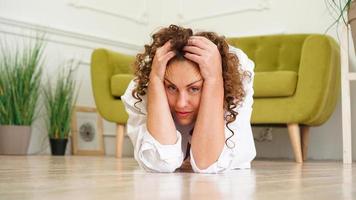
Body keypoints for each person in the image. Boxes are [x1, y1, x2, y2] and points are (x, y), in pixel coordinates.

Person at [122, 24, 256, 173]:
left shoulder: (236, 82)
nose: (181, 103)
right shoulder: (142, 91)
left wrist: (214, 80)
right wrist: (155, 80)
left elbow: (206, 164)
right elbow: (160, 164)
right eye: (171, 88)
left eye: (194, 89)